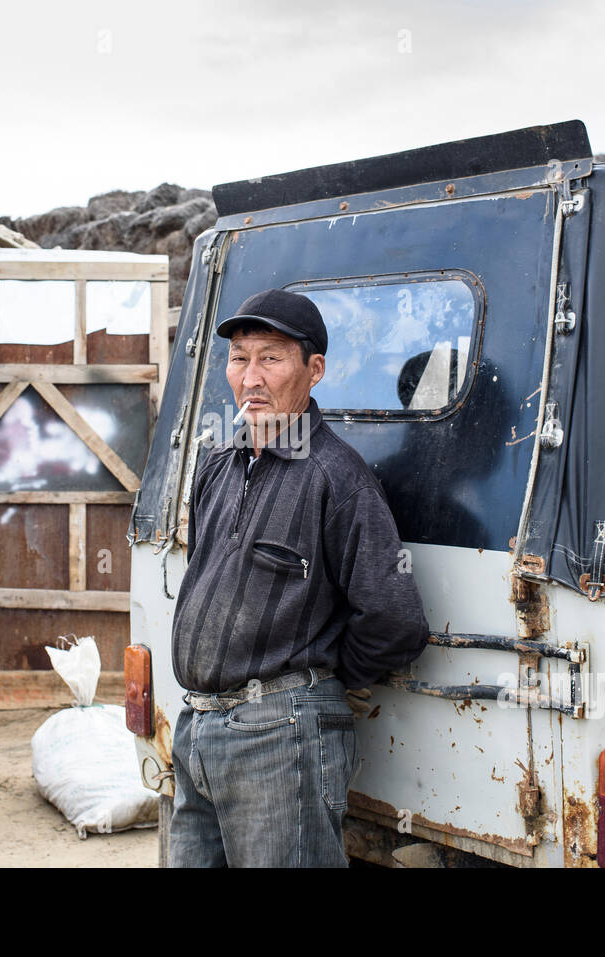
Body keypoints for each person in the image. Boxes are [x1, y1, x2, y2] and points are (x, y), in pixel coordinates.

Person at [168, 287, 431, 867]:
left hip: (279, 737)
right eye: (240, 357)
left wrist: (320, 683)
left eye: (271, 357)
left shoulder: (336, 477)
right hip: (196, 729)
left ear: (314, 371)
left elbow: (395, 619)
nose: (251, 377)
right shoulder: (218, 465)